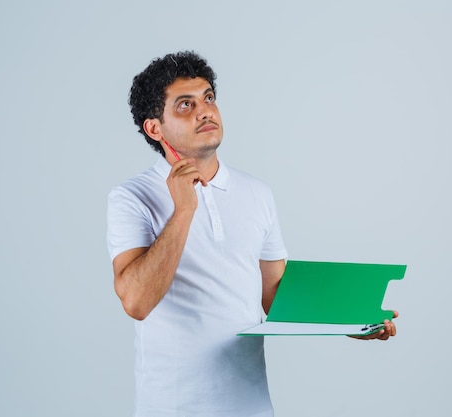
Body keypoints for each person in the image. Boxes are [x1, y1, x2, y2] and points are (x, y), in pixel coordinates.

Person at [106, 51, 397, 417]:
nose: (205, 111)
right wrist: (183, 209)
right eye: (185, 105)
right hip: (171, 406)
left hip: (251, 405)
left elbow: (274, 295)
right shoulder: (131, 197)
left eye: (208, 98)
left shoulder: (256, 192)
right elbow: (136, 301)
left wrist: (351, 323)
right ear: (155, 128)